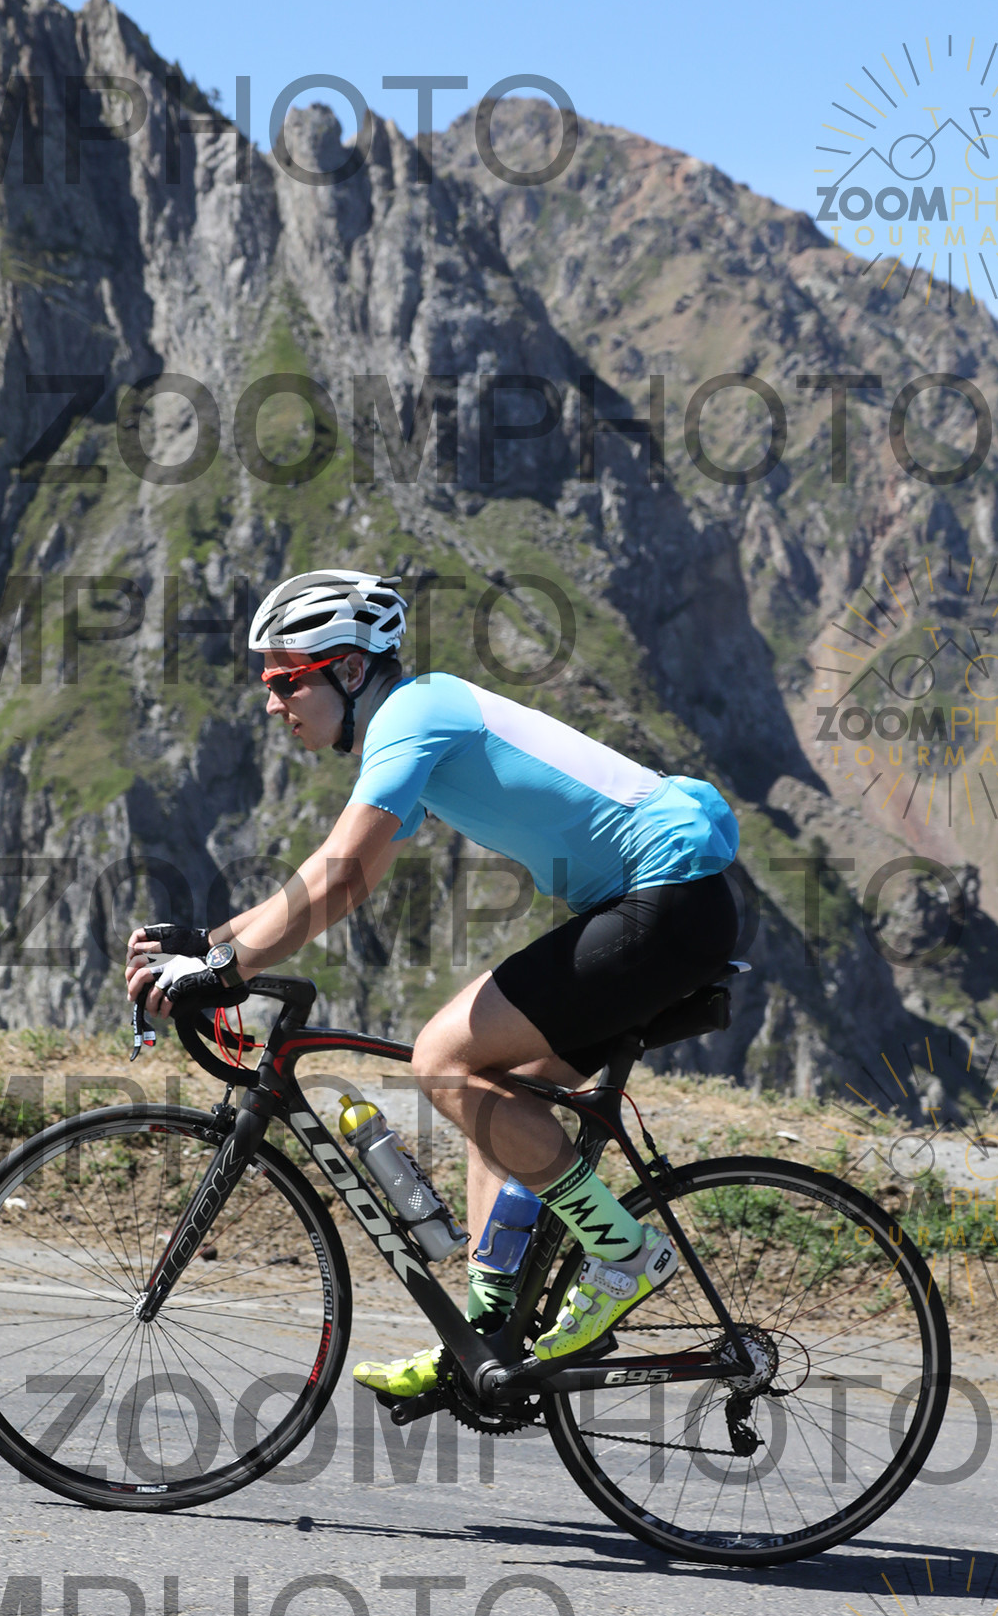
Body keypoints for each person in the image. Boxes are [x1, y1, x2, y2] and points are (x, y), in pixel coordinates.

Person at [125, 569, 741, 1391]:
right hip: (665, 907)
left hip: (668, 900)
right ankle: (487, 1344)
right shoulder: (412, 722)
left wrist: (226, 970)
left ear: (350, 669)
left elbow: (340, 873)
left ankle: (625, 1254)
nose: (272, 704)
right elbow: (349, 876)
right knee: (496, 1099)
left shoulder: (416, 714)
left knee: (442, 1058)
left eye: (286, 681)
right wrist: (213, 943)